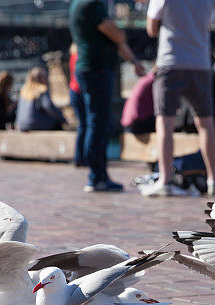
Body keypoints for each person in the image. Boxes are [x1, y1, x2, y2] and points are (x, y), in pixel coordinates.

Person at [141, 0, 215, 197]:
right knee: (206, 123)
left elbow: (151, 29)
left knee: (165, 124)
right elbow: (207, 24)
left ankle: (165, 180)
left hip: (171, 61)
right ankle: (214, 181)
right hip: (200, 63)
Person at [69, 0, 145, 193]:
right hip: (97, 70)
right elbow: (118, 35)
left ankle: (98, 175)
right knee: (98, 123)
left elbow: (116, 40)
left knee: (96, 122)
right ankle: (96, 177)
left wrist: (134, 61)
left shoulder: (81, 4)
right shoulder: (91, 5)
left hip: (92, 70)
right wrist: (120, 35)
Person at [15, 67, 65, 132]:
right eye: (45, 77)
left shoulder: (24, 90)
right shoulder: (42, 89)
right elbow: (49, 107)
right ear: (41, 78)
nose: (47, 79)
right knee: (57, 123)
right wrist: (63, 119)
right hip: (36, 124)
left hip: (22, 125)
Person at [121, 69, 156, 134]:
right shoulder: (155, 81)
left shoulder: (145, 78)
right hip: (137, 123)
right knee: (165, 119)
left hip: (127, 123)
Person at [68, 44, 86, 167]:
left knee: (83, 125)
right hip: (80, 92)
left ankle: (80, 157)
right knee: (85, 125)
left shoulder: (73, 56)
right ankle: (81, 157)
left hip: (74, 91)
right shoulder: (79, 57)